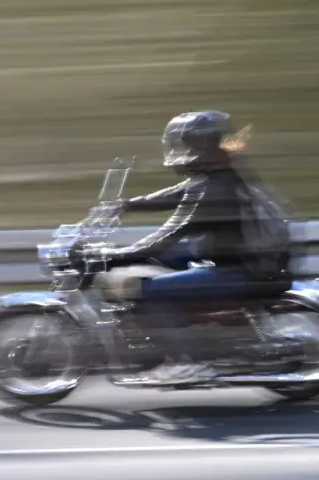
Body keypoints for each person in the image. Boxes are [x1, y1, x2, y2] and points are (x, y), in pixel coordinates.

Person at [87, 109, 296, 385]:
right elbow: (178, 194)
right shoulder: (218, 177)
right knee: (163, 262)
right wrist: (127, 204)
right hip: (240, 260)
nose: (179, 150)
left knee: (147, 290)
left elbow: (172, 232)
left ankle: (186, 361)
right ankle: (192, 329)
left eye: (183, 144)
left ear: (199, 146)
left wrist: (117, 254)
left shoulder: (215, 188)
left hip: (241, 271)